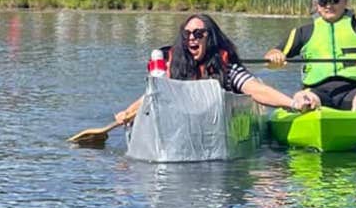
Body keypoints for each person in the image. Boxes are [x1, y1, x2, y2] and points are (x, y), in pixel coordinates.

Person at [113, 14, 310, 127]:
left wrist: (292, 104)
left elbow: (256, 90)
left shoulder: (227, 68)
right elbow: (153, 95)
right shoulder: (173, 66)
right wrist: (128, 112)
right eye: (187, 34)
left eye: (198, 33)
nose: (192, 38)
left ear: (210, 38)